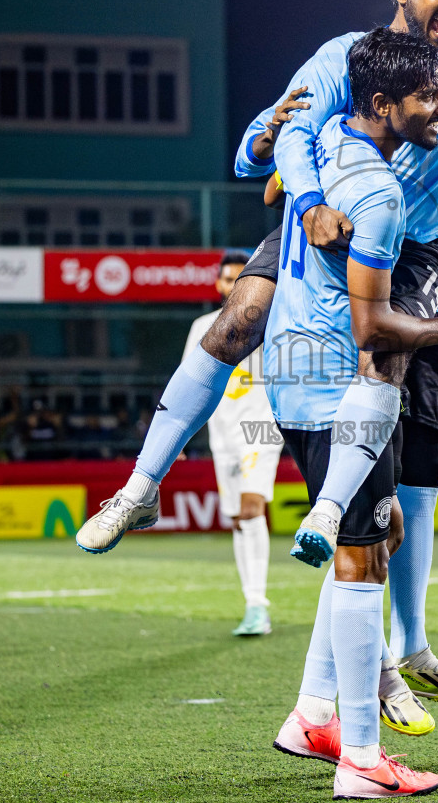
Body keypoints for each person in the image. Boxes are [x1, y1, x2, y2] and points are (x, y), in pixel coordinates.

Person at [78, 0, 438, 713]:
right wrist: (314, 199)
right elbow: (283, 133)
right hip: (330, 234)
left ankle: (408, 645)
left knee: (417, 459)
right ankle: (140, 484)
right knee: (240, 314)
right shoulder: (345, 57)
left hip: (415, 255)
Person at [264, 27, 438, 797]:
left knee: (383, 532)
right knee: (365, 552)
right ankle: (363, 760)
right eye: (427, 97)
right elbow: (375, 331)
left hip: (299, 375)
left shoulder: (326, 140)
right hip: (335, 384)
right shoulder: (382, 193)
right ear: (381, 103)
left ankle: (311, 713)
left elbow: (267, 173)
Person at [182, 249, 283, 637]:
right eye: (227, 278)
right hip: (222, 433)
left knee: (251, 507)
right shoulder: (202, 326)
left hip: (260, 427)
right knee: (239, 519)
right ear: (218, 283)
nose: (233, 284)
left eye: (241, 277)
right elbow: (192, 382)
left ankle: (259, 605)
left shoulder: (269, 322)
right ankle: (251, 602)